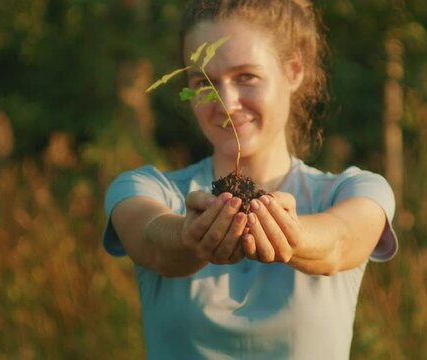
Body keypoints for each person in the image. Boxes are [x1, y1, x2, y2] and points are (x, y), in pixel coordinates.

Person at [103, 0, 398, 358]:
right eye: (204, 82)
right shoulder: (147, 190)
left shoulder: (354, 191)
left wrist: (288, 232)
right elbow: (153, 242)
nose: (226, 102)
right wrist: (188, 234)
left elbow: (339, 242)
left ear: (293, 71)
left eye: (246, 77)